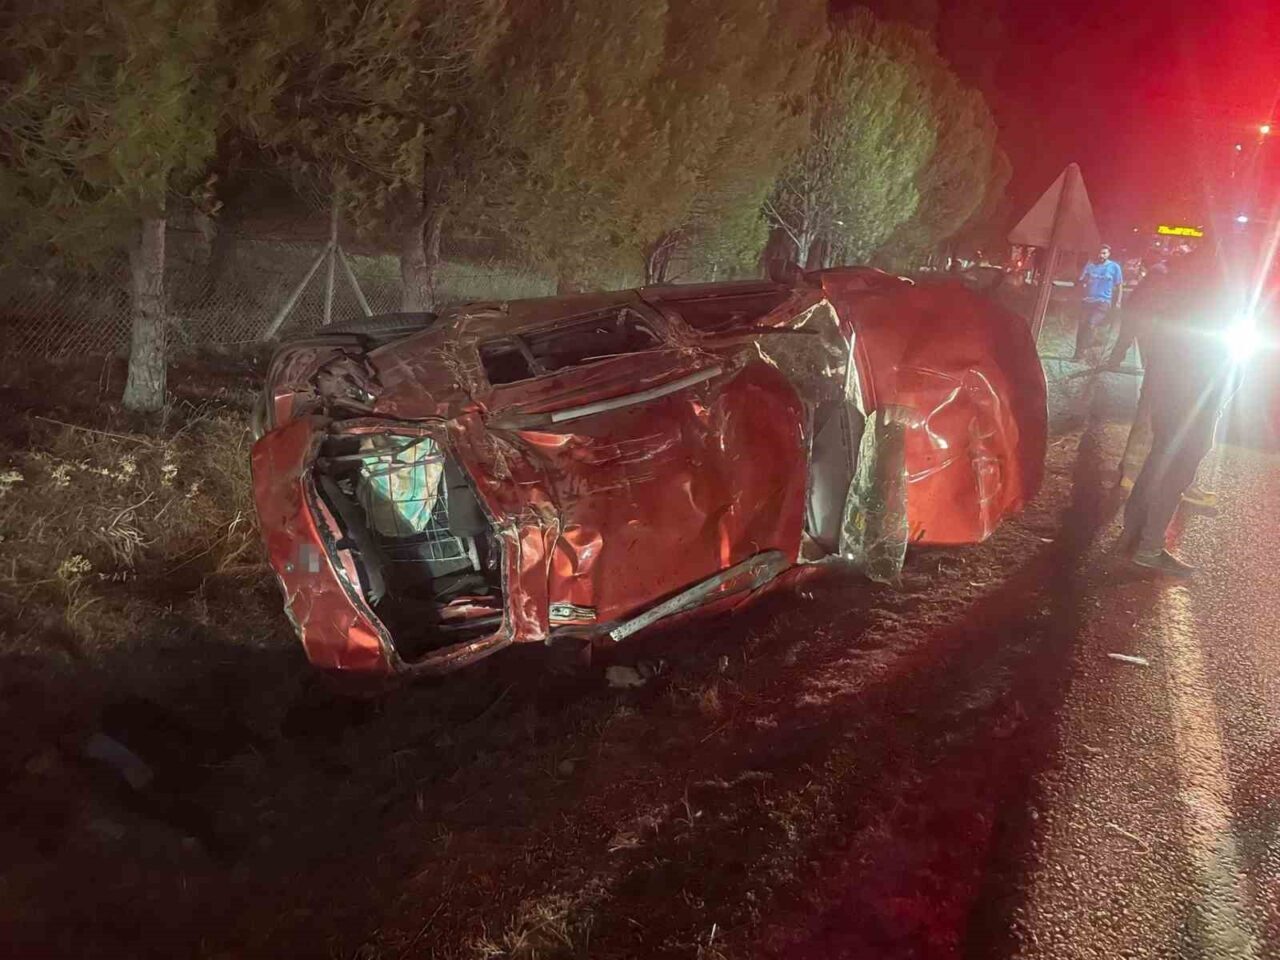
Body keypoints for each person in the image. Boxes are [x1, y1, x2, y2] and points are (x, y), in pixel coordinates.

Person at [1119, 243, 1236, 576]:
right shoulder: (1214, 297)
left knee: (1160, 457)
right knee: (1181, 464)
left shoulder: (1174, 288)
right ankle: (1149, 547)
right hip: (1195, 394)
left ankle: (1132, 538)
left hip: (1170, 388)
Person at [1073, 243, 1124, 361]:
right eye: (1099, 253)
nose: (1101, 255)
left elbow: (1119, 285)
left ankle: (1085, 349)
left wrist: (1118, 301)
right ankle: (1078, 352)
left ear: (1108, 254)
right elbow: (1081, 280)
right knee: (1082, 325)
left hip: (1103, 302)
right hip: (1087, 300)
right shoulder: (1090, 265)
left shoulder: (1114, 267)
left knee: (1091, 324)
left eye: (1104, 253)